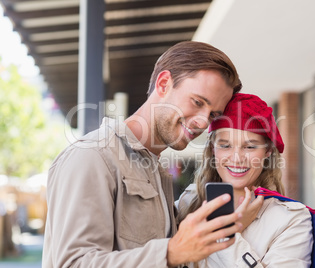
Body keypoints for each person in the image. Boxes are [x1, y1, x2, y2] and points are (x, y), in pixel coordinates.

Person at [42, 41, 244, 267]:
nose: (202, 121)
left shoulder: (153, 168)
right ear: (164, 83)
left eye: (213, 115)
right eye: (197, 102)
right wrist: (171, 253)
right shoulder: (93, 156)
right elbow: (73, 264)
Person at [177, 93, 313, 267]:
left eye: (250, 146)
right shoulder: (187, 202)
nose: (237, 158)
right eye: (225, 145)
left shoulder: (291, 220)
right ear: (213, 149)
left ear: (268, 151)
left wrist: (227, 235)